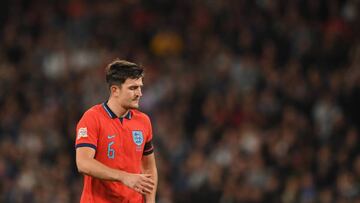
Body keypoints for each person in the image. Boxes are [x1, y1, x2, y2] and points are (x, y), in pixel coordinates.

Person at [75, 59, 158, 203]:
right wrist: (124, 176)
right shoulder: (92, 118)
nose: (139, 93)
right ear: (115, 90)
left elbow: (149, 167)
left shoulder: (143, 121)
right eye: (133, 88)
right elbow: (83, 163)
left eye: (140, 87)